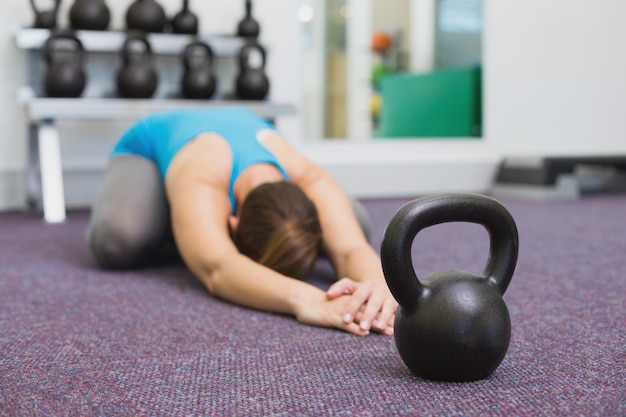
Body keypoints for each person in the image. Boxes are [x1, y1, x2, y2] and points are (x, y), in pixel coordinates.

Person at [86, 106, 397, 336]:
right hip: (149, 146)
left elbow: (350, 248)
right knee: (119, 239)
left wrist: (379, 289)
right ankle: (183, 220)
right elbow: (219, 268)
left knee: (355, 221)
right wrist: (308, 298)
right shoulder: (203, 176)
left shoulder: (310, 178)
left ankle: (192, 227)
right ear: (231, 224)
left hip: (242, 123)